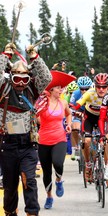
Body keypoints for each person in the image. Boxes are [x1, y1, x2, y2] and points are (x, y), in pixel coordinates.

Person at [0, 43, 52, 216]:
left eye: (25, 79)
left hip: (28, 143)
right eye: (17, 79)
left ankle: (32, 212)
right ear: (10, 77)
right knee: (9, 185)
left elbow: (46, 77)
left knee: (29, 180)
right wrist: (5, 56)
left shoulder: (32, 89)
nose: (21, 83)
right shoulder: (3, 87)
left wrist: (34, 57)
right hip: (7, 144)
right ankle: (10, 211)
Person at [35, 71, 75, 209]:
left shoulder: (63, 103)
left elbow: (69, 114)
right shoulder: (43, 103)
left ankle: (59, 180)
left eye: (61, 88)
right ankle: (49, 196)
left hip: (60, 138)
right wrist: (39, 106)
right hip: (44, 140)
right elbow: (35, 117)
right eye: (58, 88)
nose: (61, 90)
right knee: (46, 172)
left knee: (58, 163)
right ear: (51, 90)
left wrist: (69, 124)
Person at [71, 73, 108, 182]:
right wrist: (74, 110)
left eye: (104, 87)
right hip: (89, 118)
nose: (101, 89)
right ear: (95, 86)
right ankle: (88, 164)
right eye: (98, 87)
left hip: (103, 119)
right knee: (87, 141)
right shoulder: (90, 93)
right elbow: (78, 104)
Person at [69, 76, 92, 161]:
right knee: (75, 128)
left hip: (90, 113)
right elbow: (71, 105)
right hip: (79, 112)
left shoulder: (94, 93)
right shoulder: (75, 93)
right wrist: (74, 111)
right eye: (82, 89)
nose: (84, 91)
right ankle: (75, 149)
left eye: (86, 89)